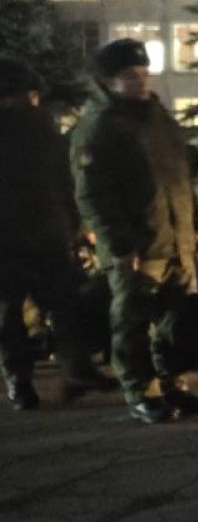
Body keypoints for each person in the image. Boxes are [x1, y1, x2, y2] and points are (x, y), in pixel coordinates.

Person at [71, 38, 198, 423]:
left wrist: (192, 226)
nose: (142, 81)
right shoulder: (99, 126)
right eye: (131, 75)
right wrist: (119, 245)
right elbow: (93, 195)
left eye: (145, 73)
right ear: (108, 81)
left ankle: (171, 383)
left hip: (174, 240)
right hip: (138, 245)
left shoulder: (157, 117)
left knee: (171, 321)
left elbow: (181, 177)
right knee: (133, 323)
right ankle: (141, 391)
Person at [0, 56, 113, 409]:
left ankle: (21, 382)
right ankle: (73, 370)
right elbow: (67, 184)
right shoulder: (46, 131)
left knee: (12, 315)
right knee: (60, 307)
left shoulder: (42, 130)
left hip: (20, 240)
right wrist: (75, 226)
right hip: (46, 234)